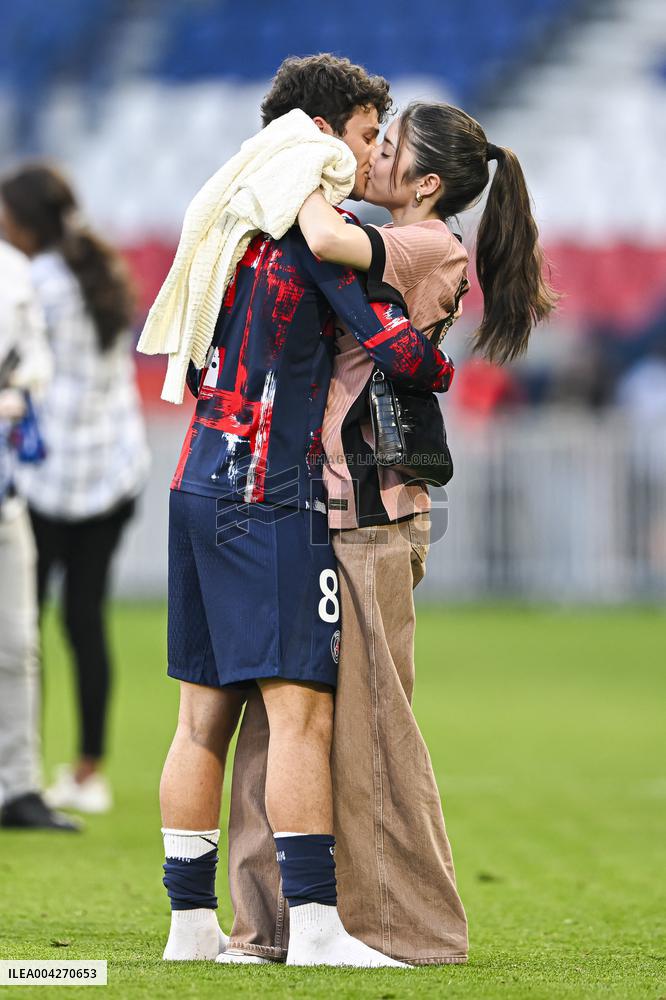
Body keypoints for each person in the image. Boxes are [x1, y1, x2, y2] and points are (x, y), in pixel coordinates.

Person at [225, 102, 557, 963]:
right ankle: (272, 925)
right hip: (324, 500)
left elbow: (330, 243)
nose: (370, 156)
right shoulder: (404, 231)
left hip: (371, 514)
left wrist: (302, 154)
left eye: (388, 147)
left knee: (369, 724)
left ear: (428, 184)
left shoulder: (429, 244)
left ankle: (404, 925)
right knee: (284, 712)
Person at [145, 55, 454, 968]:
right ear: (322, 134)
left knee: (199, 719)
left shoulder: (232, 228)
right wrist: (436, 363)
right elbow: (401, 354)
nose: (369, 160)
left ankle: (190, 926)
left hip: (197, 480)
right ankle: (318, 930)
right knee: (301, 716)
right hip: (270, 498)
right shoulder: (310, 234)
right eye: (366, 136)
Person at [0, 166, 150, 814]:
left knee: (20, 628)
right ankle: (89, 770)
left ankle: (18, 769)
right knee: (86, 622)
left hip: (49, 475)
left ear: (26, 221)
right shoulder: (104, 269)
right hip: (113, 470)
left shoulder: (32, 283)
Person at [0, 237, 77, 831]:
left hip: (6, 494)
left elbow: (40, 367)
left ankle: (18, 785)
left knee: (18, 644)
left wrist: (21, 386)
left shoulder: (15, 269)